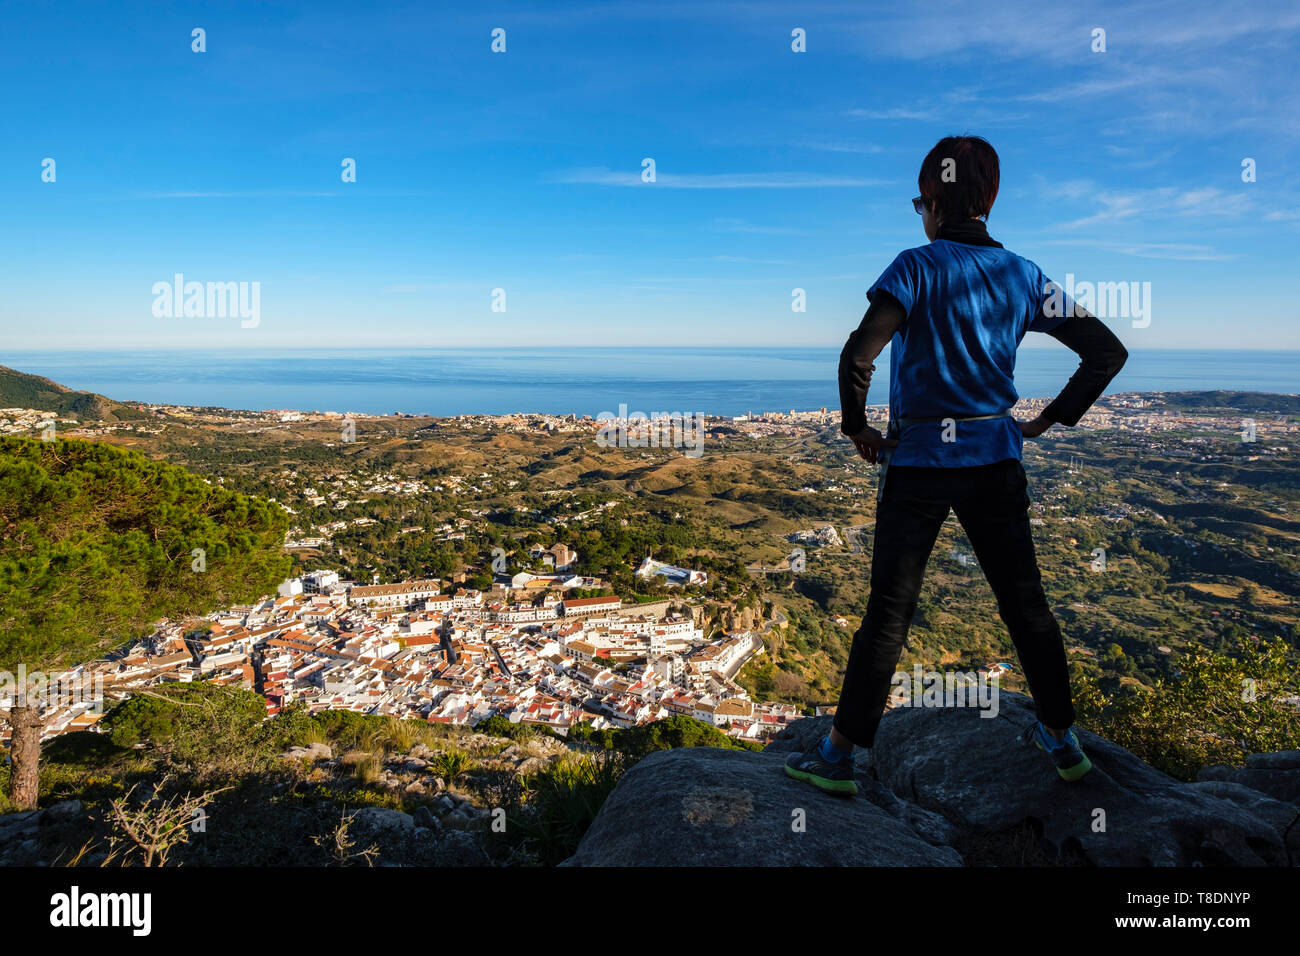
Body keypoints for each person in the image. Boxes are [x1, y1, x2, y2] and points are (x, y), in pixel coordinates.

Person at [784, 136, 1128, 796]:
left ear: (934, 202)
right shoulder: (1023, 275)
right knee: (1026, 606)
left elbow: (859, 357)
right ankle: (1061, 738)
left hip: (916, 464)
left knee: (888, 615)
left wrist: (858, 428)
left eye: (920, 203)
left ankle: (837, 758)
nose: (920, 215)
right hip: (996, 457)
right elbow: (1105, 353)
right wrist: (1047, 419)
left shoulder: (915, 267)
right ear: (990, 199)